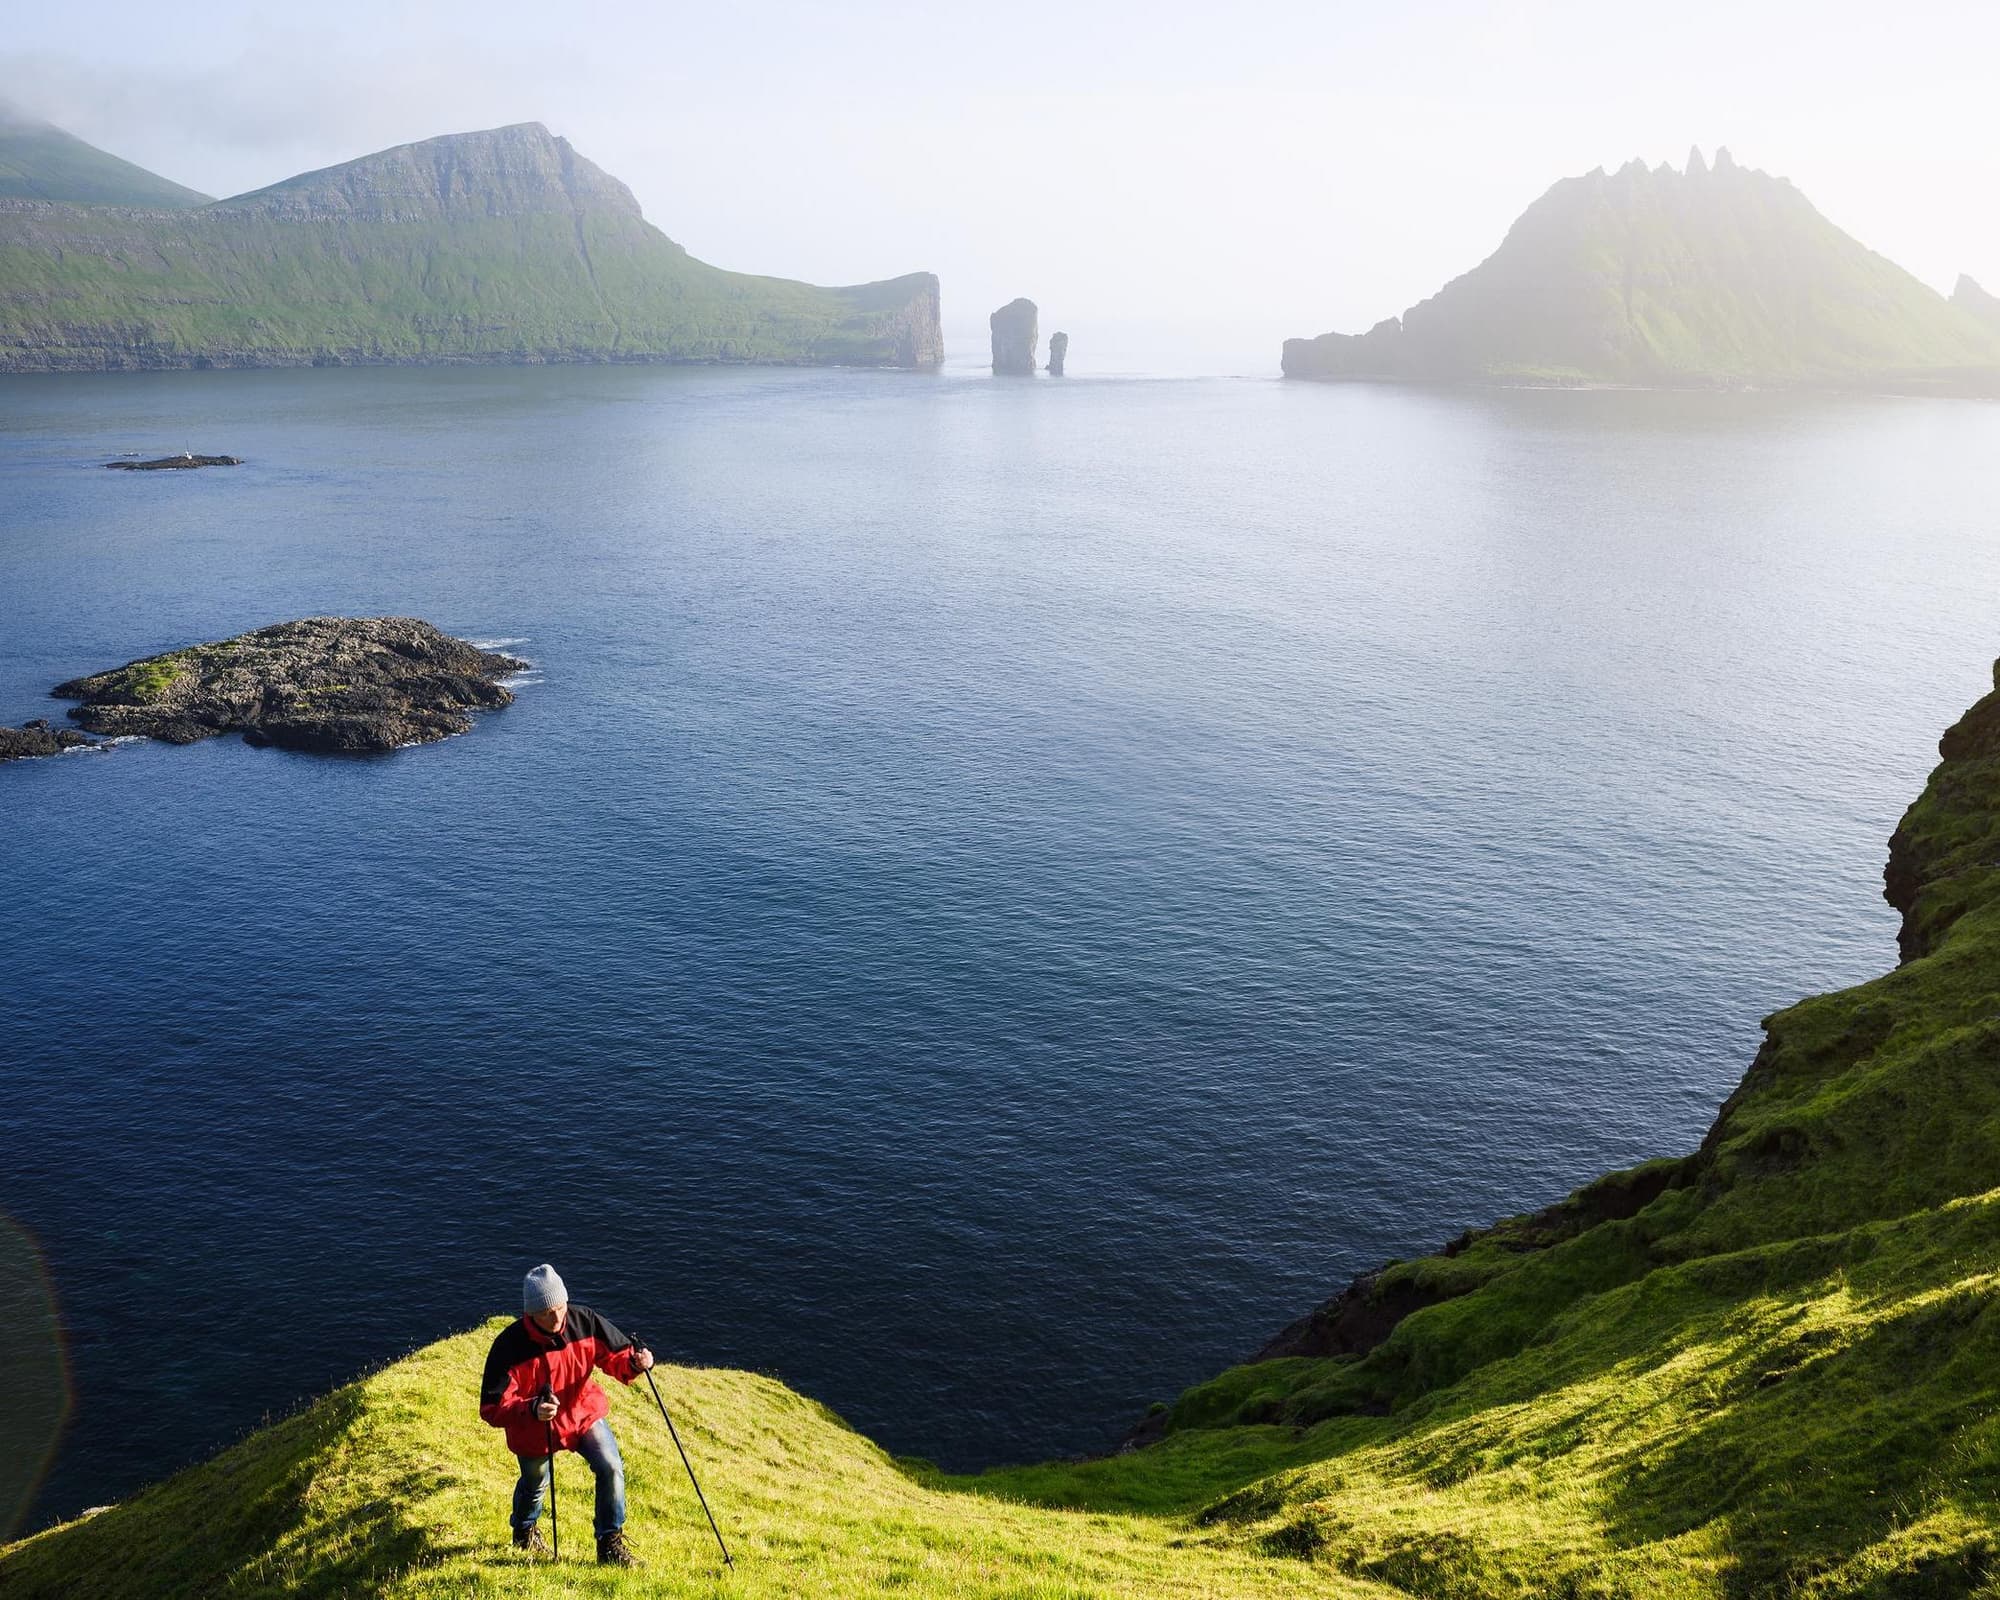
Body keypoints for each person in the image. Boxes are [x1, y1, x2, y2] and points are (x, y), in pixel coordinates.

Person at [479, 1263, 655, 1567]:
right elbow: (491, 1408)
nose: (558, 1317)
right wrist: (531, 1408)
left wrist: (636, 1363)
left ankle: (610, 1544)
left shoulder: (584, 1321)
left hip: (581, 1413)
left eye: (561, 1307)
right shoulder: (508, 1346)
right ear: (531, 1314)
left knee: (611, 1466)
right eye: (547, 1312)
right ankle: (524, 1532)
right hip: (534, 1427)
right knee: (535, 1483)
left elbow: (617, 1355)